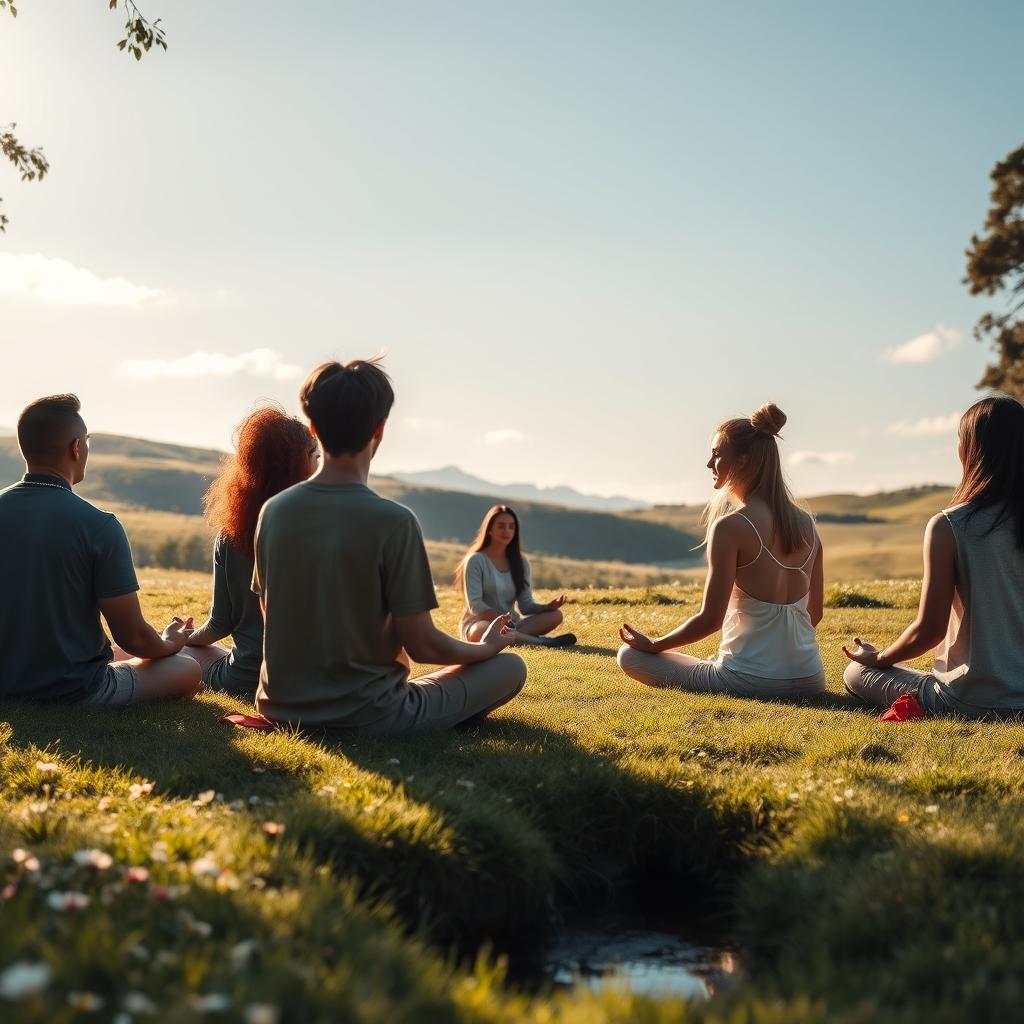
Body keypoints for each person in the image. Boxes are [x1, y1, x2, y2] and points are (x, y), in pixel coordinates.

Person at [252, 359, 528, 733]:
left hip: (280, 706)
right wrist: (486, 648)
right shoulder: (394, 521)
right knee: (510, 668)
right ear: (380, 429)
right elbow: (424, 645)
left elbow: (272, 615)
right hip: (370, 713)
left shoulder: (274, 511)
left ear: (313, 428)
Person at [0, 395, 201, 705]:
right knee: (187, 667)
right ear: (76, 448)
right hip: (75, 688)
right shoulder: (99, 526)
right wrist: (167, 644)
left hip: (7, 680)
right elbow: (132, 636)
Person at [617, 403, 825, 697]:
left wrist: (655, 645)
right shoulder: (808, 524)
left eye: (716, 454)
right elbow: (813, 614)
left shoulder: (731, 527)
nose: (708, 463)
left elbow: (710, 620)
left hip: (749, 681)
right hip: (811, 678)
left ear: (741, 461)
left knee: (629, 656)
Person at [843, 396, 1024, 719]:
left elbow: (929, 631)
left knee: (855, 674)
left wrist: (880, 657)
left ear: (972, 449)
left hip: (970, 700)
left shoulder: (950, 525)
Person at [184, 406, 317, 694]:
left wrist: (183, 639)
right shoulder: (324, 528)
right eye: (314, 456)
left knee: (178, 653)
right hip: (311, 682)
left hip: (247, 680)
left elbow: (219, 625)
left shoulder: (234, 534)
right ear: (301, 462)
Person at [455, 505, 576, 648]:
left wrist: (547, 607)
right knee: (480, 632)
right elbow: (475, 606)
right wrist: (500, 621)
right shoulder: (475, 560)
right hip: (480, 623)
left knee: (555, 615)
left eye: (511, 527)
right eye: (501, 526)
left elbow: (526, 606)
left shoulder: (522, 563)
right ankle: (544, 642)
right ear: (489, 530)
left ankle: (512, 637)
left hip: (513, 623)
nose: (506, 531)